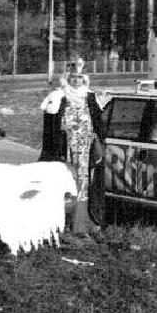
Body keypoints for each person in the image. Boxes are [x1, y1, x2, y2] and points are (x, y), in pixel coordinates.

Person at [39, 58, 106, 236]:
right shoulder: (58, 98)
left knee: (84, 184)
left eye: (79, 77)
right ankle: (61, 224)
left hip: (85, 150)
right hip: (64, 150)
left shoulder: (91, 98)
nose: (76, 80)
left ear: (84, 79)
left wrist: (97, 143)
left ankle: (82, 223)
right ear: (67, 79)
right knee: (65, 182)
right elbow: (50, 128)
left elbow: (99, 126)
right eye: (73, 77)